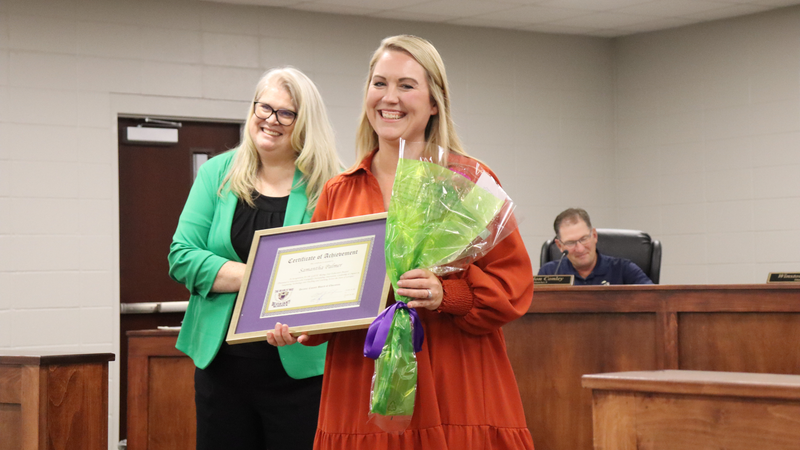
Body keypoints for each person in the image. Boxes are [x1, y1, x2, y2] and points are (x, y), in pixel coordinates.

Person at [267, 35, 535, 450]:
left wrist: (448, 293)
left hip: (455, 381)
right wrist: (298, 322)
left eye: (406, 85)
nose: (389, 98)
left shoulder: (467, 182)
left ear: (434, 102)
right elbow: (322, 293)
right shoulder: (340, 191)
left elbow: (513, 287)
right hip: (361, 387)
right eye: (379, 83)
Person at [168, 67, 342, 450]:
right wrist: (259, 274)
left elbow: (338, 273)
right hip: (222, 370)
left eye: (286, 113)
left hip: (301, 372)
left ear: (304, 123)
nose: (270, 120)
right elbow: (181, 256)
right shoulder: (218, 173)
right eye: (264, 107)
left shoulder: (330, 186)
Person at [537, 208, 653, 285]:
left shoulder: (624, 270)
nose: (580, 249)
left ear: (594, 236)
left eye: (584, 239)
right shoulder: (549, 273)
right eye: (571, 243)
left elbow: (656, 300)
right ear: (559, 245)